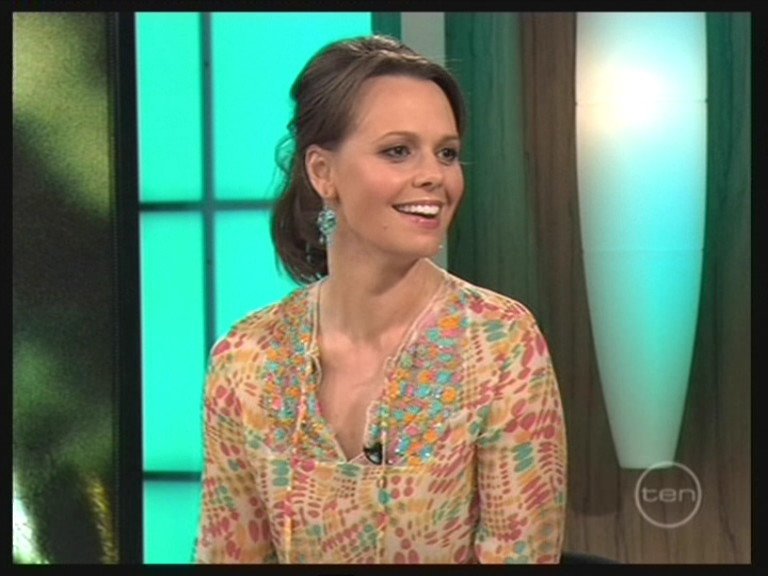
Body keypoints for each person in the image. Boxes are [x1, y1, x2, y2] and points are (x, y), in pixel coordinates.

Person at [194, 34, 567, 564]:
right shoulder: (247, 359)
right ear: (322, 173)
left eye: (447, 153)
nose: (434, 176)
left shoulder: (499, 344)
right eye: (398, 151)